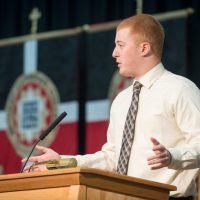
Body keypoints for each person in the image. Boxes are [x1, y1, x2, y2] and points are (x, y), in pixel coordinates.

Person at [22, 14, 200, 199]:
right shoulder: (122, 100)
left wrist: (173, 156)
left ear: (144, 48)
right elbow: (112, 158)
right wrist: (62, 161)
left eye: (121, 45)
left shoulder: (180, 89)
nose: (114, 53)